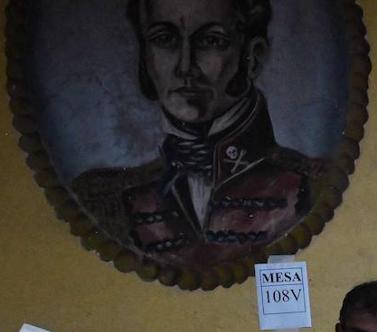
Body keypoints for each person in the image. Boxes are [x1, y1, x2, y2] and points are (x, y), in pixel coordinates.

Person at [71, 0, 325, 270]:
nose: (185, 66)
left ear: (253, 57)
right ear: (145, 56)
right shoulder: (104, 200)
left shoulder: (313, 184)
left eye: (211, 41)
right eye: (165, 39)